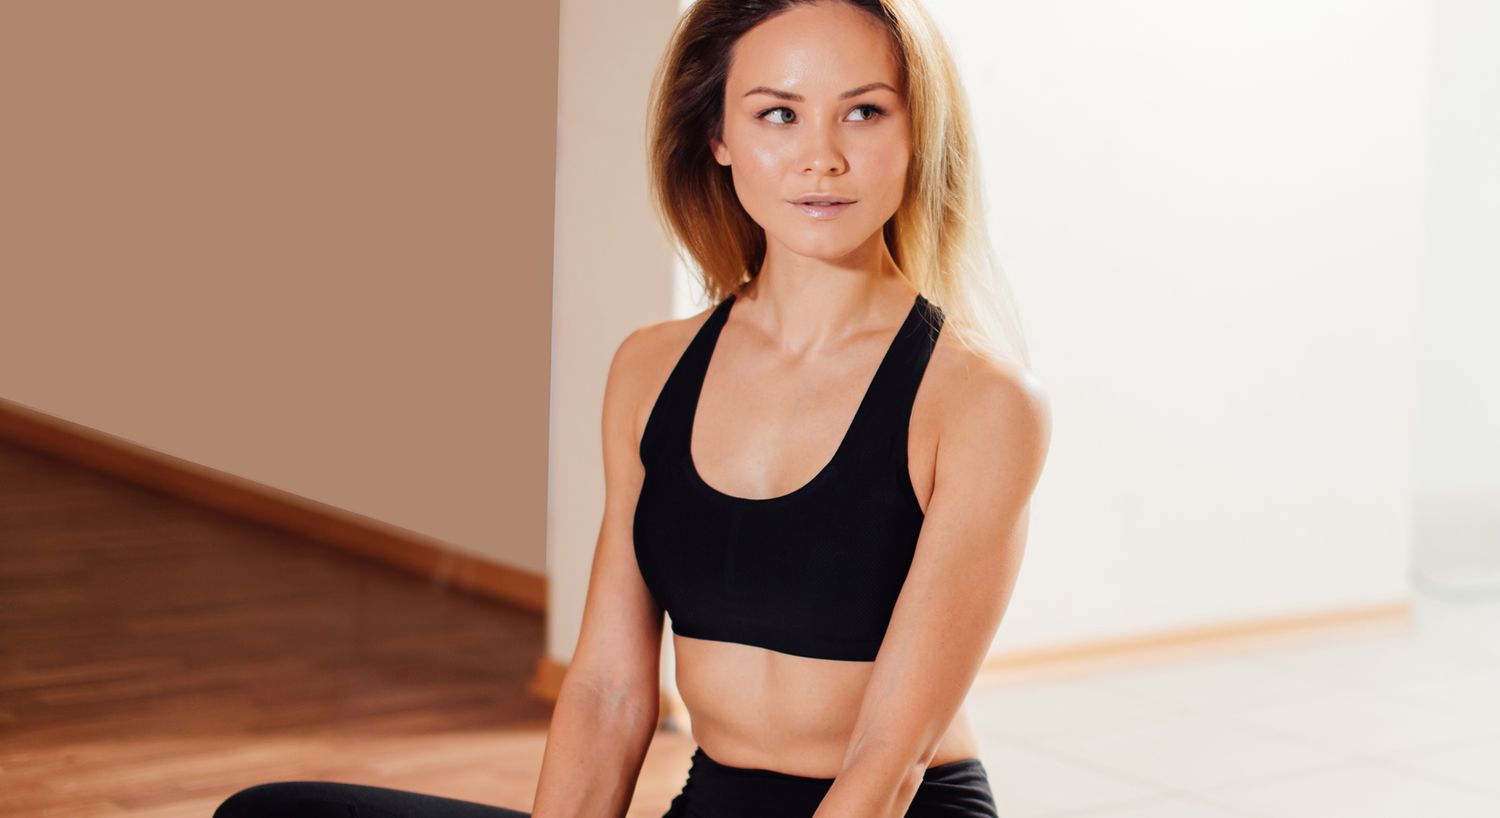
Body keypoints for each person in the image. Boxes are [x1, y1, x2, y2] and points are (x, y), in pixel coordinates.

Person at [212, 1, 1050, 816]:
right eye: (778, 115)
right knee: (277, 813)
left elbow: (887, 764)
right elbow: (611, 693)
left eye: (864, 112)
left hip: (888, 810)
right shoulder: (651, 367)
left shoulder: (979, 400)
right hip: (715, 800)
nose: (820, 158)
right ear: (718, 137)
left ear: (917, 134)